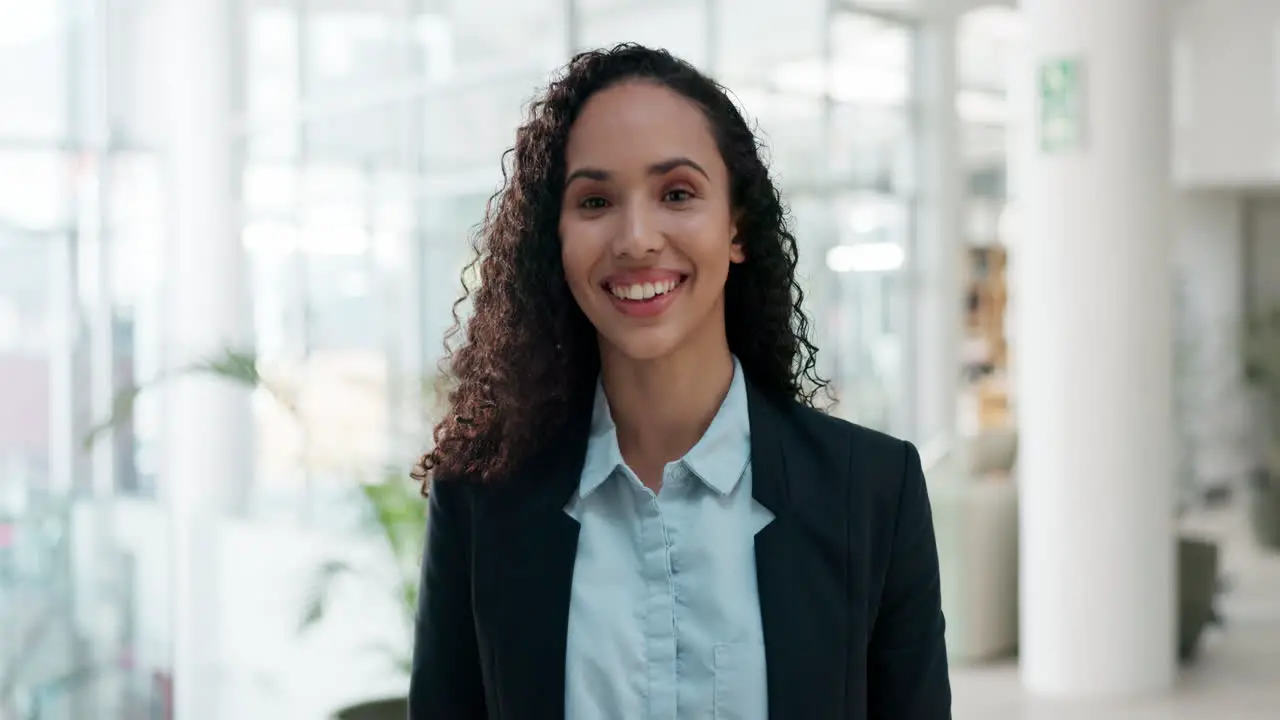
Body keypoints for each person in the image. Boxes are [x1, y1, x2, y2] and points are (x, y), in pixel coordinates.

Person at [409, 43, 950, 720]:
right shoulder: (479, 504)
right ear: (558, 239)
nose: (636, 238)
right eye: (596, 199)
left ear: (737, 228)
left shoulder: (873, 490)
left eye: (677, 194)